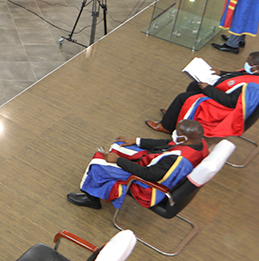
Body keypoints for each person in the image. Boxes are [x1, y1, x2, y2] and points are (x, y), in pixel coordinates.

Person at [66, 120, 207, 210]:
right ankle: (106, 174)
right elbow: (167, 144)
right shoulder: (199, 143)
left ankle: (91, 199)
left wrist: (118, 161)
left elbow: (148, 174)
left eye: (178, 132)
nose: (174, 134)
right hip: (159, 168)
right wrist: (137, 141)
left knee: (98, 163)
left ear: (184, 138)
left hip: (148, 185)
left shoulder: (177, 159)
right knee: (120, 145)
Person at [145, 52, 259, 137]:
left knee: (182, 97)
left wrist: (208, 89)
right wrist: (221, 73)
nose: (246, 64)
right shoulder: (254, 73)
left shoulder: (253, 87)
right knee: (194, 85)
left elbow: (230, 102)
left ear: (256, 68)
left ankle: (166, 126)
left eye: (249, 63)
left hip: (223, 108)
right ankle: (176, 113)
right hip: (222, 93)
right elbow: (237, 76)